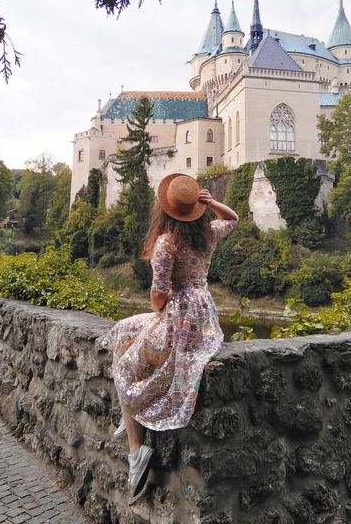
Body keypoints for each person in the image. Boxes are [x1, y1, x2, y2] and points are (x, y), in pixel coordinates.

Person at [100, 173, 238, 501]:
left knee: (127, 366)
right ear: (194, 208)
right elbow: (232, 218)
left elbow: (158, 296)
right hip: (204, 312)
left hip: (179, 313)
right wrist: (211, 203)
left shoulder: (167, 242)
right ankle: (128, 415)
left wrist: (163, 311)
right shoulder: (207, 233)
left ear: (166, 209)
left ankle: (137, 451)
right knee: (123, 331)